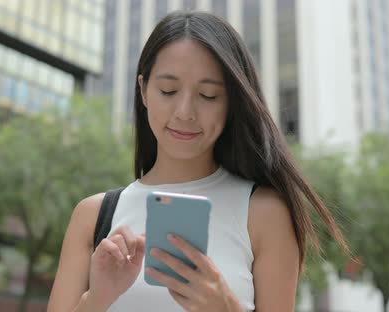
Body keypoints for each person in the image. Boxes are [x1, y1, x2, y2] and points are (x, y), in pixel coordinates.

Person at [47, 10, 351, 312]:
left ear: (231, 102)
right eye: (168, 90)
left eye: (208, 95)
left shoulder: (264, 214)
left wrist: (226, 308)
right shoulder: (93, 216)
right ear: (143, 90)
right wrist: (97, 298)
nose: (185, 112)